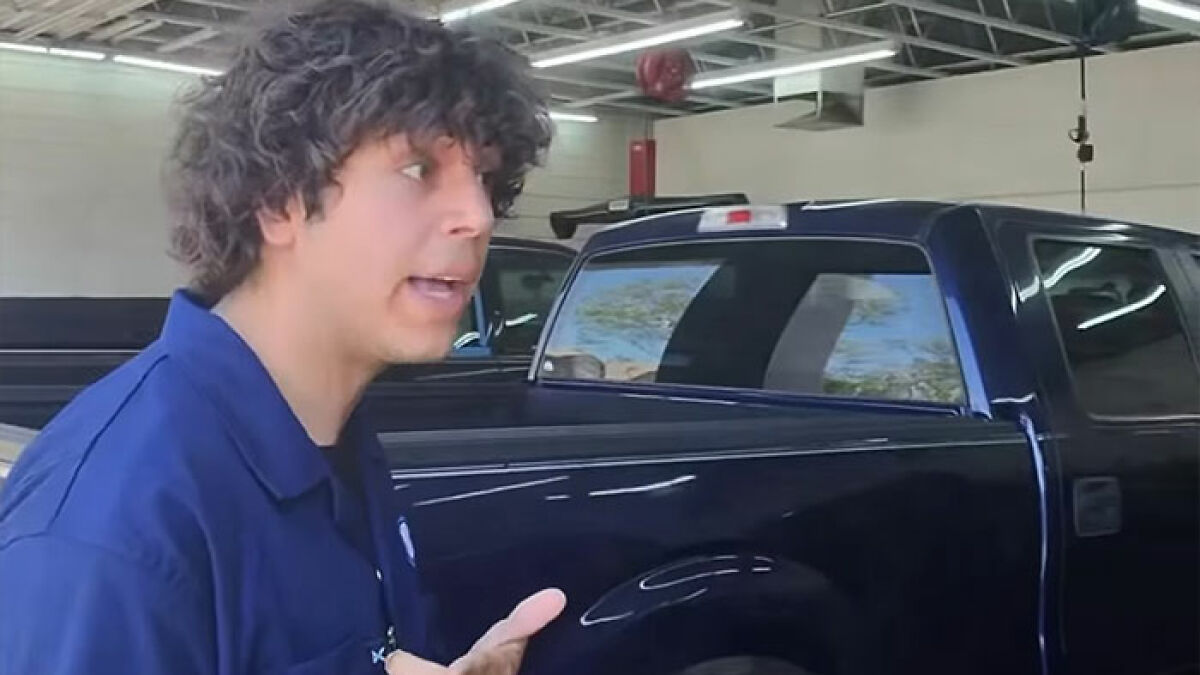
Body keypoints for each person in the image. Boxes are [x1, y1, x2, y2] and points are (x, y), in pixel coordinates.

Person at [0, 1, 563, 673]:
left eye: (486, 180)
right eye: (418, 169)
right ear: (276, 200)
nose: (476, 216)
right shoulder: (116, 535)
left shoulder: (336, 443)